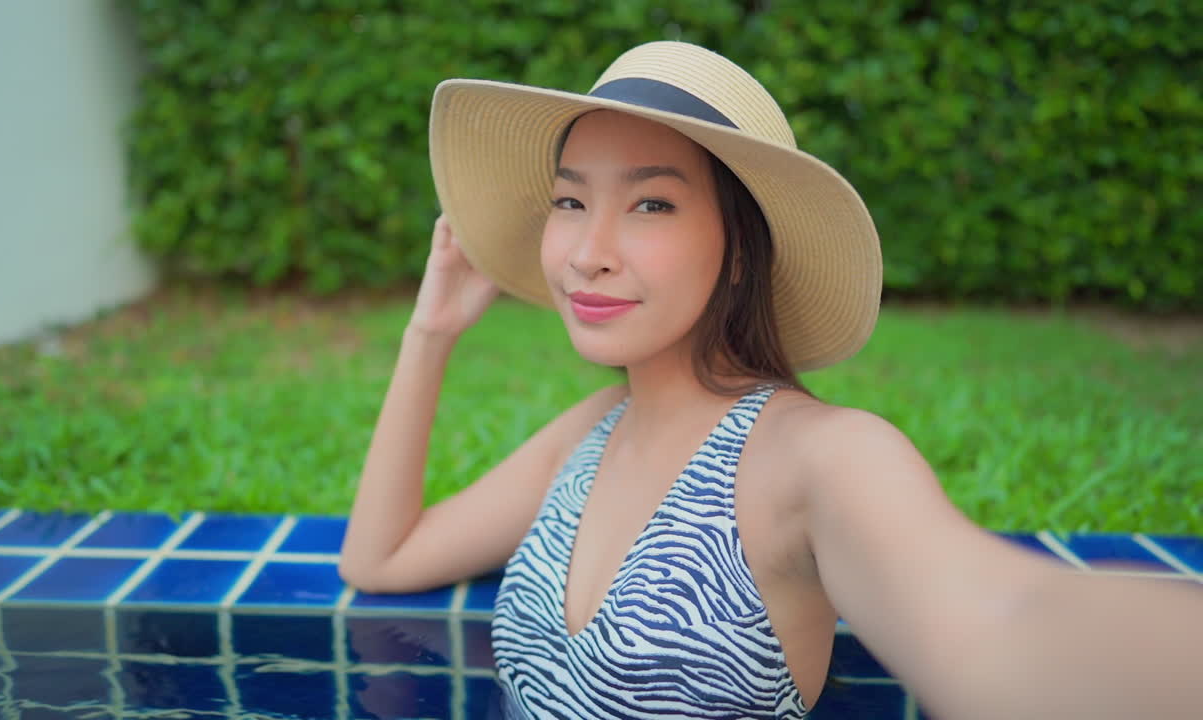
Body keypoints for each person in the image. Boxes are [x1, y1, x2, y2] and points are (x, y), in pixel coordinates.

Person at [339, 41, 1202, 719]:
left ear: (741, 252)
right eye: (571, 201)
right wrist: (431, 332)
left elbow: (1009, 623)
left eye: (652, 203)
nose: (588, 252)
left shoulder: (812, 458)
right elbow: (380, 560)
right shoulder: (593, 432)